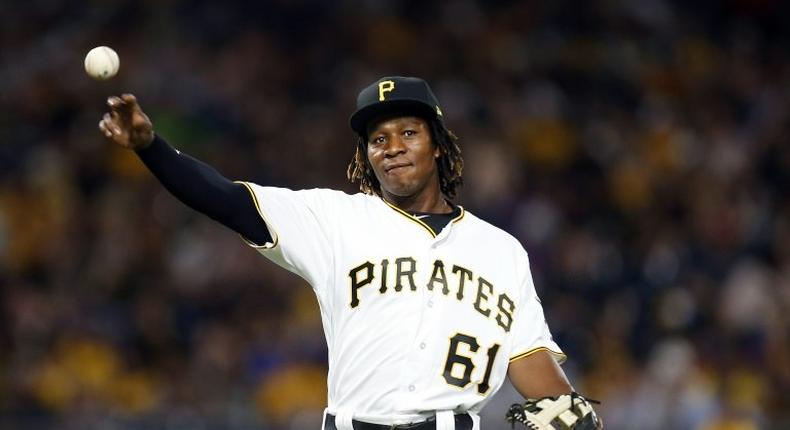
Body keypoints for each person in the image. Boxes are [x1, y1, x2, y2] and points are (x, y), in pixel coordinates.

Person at [98, 76, 599, 430]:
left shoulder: (501, 249)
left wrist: (574, 413)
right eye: (378, 139)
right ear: (367, 156)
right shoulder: (336, 220)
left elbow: (529, 358)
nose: (393, 147)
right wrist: (152, 148)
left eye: (409, 132)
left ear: (439, 145)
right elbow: (226, 200)